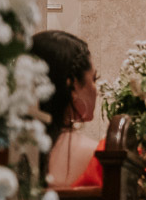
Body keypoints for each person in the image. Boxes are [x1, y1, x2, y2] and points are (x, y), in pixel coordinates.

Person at [32, 30, 102, 189]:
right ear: (73, 84)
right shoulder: (96, 156)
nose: (96, 89)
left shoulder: (6, 149)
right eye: (93, 79)